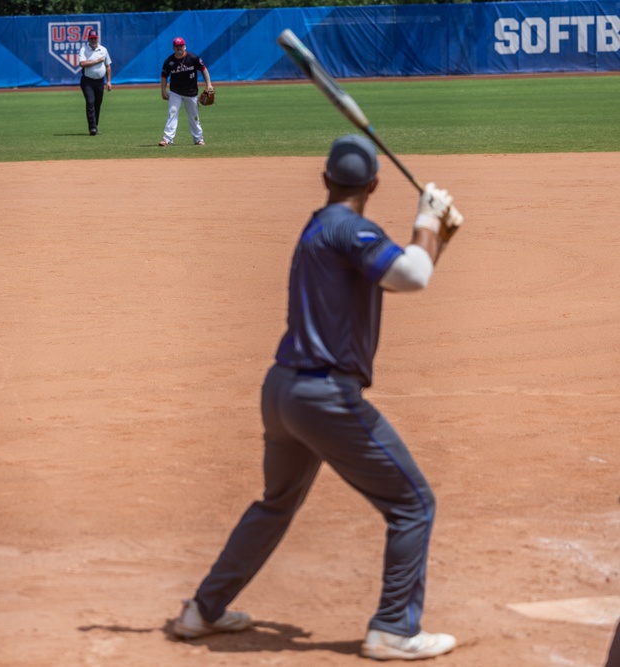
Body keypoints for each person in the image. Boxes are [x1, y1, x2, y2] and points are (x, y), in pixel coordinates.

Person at [173, 134, 465, 662]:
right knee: (412, 504)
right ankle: (394, 628)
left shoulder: (319, 227)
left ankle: (203, 611)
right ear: (375, 184)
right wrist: (426, 219)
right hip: (324, 397)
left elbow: (404, 273)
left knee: (276, 503)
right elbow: (414, 276)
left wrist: (437, 236)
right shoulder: (354, 232)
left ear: (325, 180)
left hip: (282, 389)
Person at [158, 37, 213, 147]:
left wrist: (209, 84)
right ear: (173, 47)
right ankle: (167, 139)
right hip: (175, 92)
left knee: (194, 116)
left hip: (191, 92)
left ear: (185, 46)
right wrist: (163, 90)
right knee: (172, 113)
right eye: (177, 46)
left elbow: (204, 70)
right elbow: (164, 76)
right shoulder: (169, 61)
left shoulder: (193, 58)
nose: (179, 48)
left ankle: (198, 139)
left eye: (181, 46)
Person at [77, 32, 112, 136]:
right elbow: (82, 64)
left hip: (100, 81)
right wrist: (96, 61)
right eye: (91, 38)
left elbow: (108, 66)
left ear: (97, 38)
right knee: (90, 102)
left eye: (95, 38)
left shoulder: (103, 50)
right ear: (88, 39)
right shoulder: (84, 49)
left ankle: (95, 127)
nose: (93, 40)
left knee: (97, 104)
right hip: (87, 81)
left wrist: (109, 81)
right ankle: (92, 127)